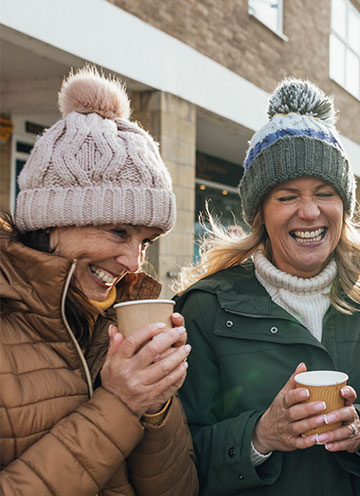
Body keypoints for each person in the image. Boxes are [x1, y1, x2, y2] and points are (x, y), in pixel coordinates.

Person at [175, 77, 360, 495]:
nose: (309, 212)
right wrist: (259, 437)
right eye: (287, 196)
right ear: (260, 212)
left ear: (344, 207)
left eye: (325, 193)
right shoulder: (205, 308)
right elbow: (177, 456)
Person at [0, 67, 198, 495]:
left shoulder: (113, 324)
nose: (133, 262)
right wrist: (120, 405)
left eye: (146, 241)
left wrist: (155, 401)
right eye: (118, 231)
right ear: (52, 223)